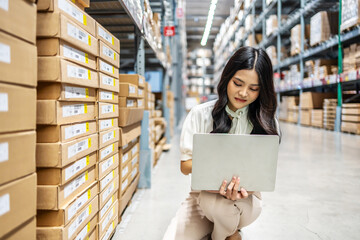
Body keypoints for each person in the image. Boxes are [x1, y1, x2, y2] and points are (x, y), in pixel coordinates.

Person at [163, 46, 281, 240]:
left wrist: (245, 188)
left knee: (226, 207)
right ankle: (230, 234)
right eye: (237, 83)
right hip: (203, 197)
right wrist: (216, 171)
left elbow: (264, 172)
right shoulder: (200, 114)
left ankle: (225, 233)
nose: (243, 93)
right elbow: (185, 166)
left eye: (253, 89)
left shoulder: (266, 122)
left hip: (247, 199)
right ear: (227, 78)